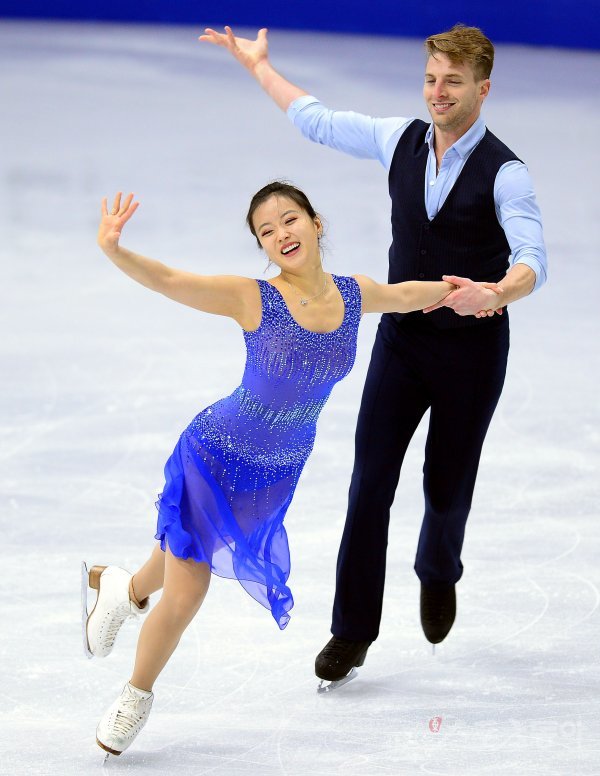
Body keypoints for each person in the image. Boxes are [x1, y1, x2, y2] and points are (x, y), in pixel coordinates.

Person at [199, 24, 548, 682]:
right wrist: (259, 68)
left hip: (473, 354)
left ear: (483, 88)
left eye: (453, 82)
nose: (437, 93)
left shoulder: (506, 172)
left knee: (446, 488)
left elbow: (535, 259)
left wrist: (499, 290)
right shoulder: (400, 139)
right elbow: (319, 122)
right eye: (430, 79)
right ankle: (352, 630)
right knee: (370, 486)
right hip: (404, 343)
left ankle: (438, 567)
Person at [85, 181, 460, 757]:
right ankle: (134, 695)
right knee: (188, 591)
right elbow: (171, 281)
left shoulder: (353, 294)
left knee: (185, 552)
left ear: (316, 223)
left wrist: (469, 291)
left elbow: (406, 295)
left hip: (274, 475)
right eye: (266, 230)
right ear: (262, 245)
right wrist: (116, 250)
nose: (281, 233)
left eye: (290, 220)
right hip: (214, 454)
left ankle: (122, 589)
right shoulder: (252, 297)